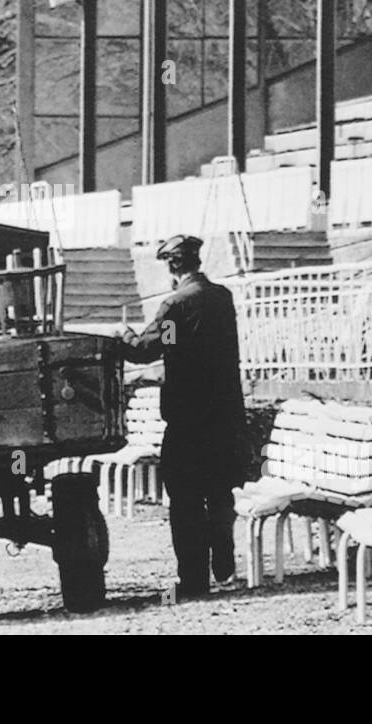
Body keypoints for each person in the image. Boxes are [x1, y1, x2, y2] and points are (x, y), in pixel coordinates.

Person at [118, 234, 248, 598]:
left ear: (173, 266)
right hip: (224, 417)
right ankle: (222, 550)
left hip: (189, 421)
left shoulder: (176, 305)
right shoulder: (222, 298)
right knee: (220, 489)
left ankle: (193, 580)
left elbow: (148, 350)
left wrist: (124, 336)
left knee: (186, 499)